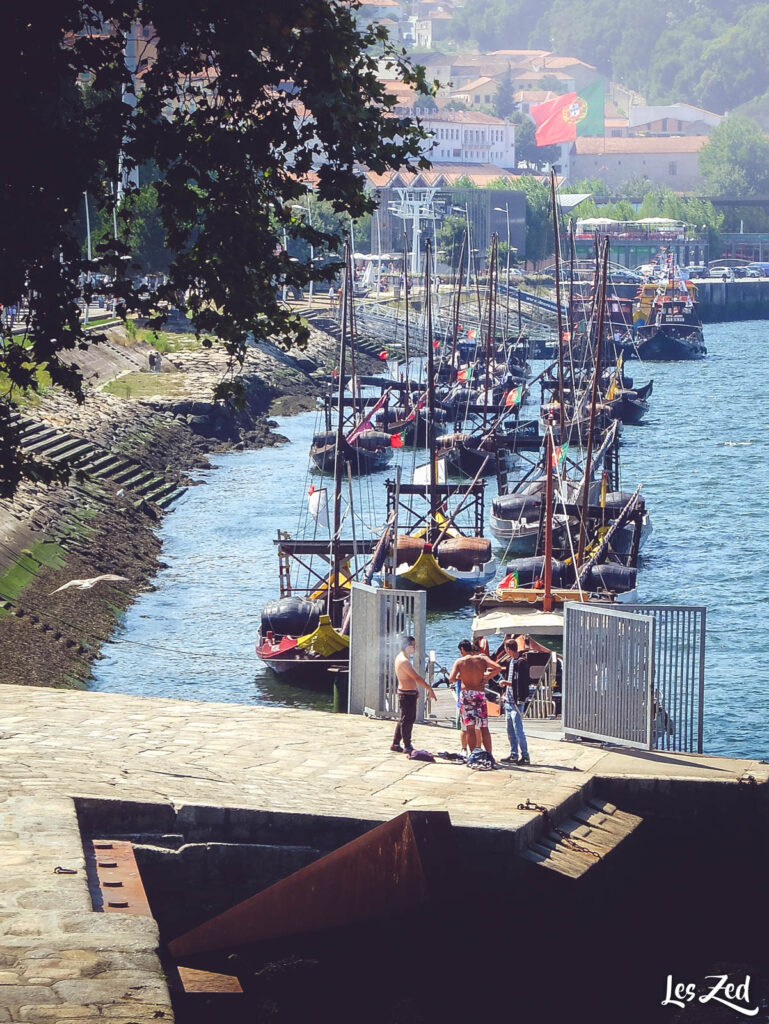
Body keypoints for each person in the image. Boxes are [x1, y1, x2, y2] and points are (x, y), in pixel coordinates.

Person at [449, 640, 503, 755]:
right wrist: (487, 677)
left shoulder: (460, 661)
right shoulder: (482, 659)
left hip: (467, 695)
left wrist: (461, 677)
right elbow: (498, 667)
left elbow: (451, 678)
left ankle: (473, 754)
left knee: (470, 727)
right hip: (479, 694)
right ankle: (489, 753)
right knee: (484, 726)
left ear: (462, 650)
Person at [391, 635, 436, 755]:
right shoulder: (403, 660)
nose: (414, 648)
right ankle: (407, 745)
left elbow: (411, 679)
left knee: (404, 719)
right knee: (407, 720)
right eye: (413, 646)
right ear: (407, 646)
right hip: (405, 694)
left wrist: (416, 690)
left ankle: (396, 743)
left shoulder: (403, 658)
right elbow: (416, 677)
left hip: (408, 692)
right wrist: (429, 688)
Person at [500, 637, 531, 765]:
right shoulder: (510, 662)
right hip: (509, 700)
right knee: (510, 729)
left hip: (517, 701)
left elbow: (521, 682)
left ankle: (525, 755)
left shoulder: (522, 663)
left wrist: (506, 683)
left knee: (518, 729)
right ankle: (514, 754)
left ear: (508, 649)